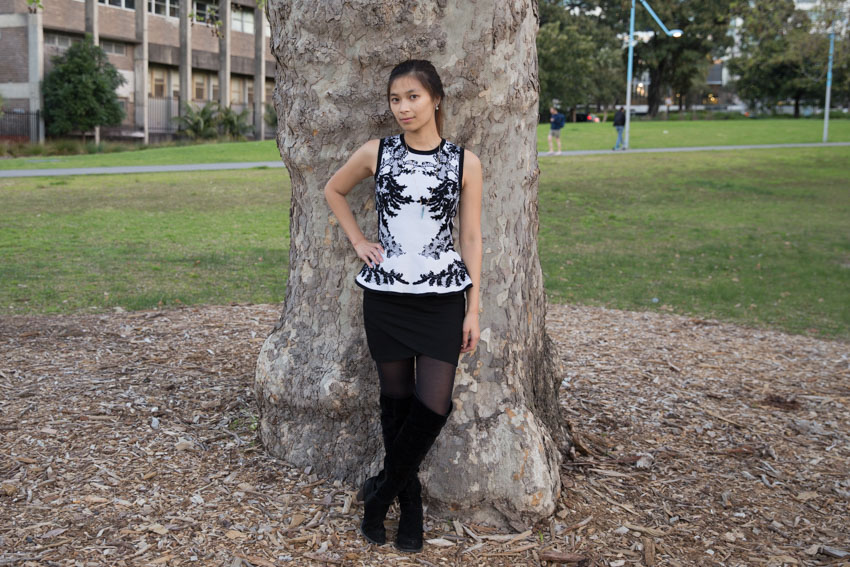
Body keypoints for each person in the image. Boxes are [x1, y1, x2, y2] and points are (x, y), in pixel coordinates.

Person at [323, 59, 482, 553]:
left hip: (441, 299)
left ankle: (380, 495)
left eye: (413, 96)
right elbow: (333, 190)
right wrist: (358, 241)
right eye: (395, 99)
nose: (403, 107)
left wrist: (473, 308)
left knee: (431, 405)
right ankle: (409, 507)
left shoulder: (464, 162)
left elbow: (472, 237)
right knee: (395, 406)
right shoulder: (377, 152)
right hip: (387, 296)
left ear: (435, 99)